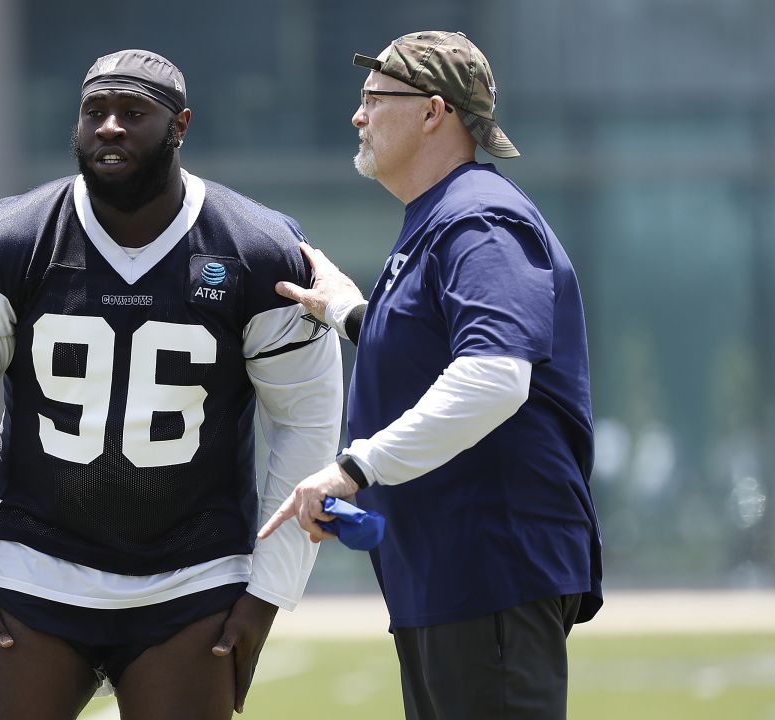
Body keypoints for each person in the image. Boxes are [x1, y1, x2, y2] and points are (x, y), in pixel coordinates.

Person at [0, 48, 343, 720]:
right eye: (94, 111)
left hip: (191, 577)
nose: (109, 126)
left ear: (180, 125)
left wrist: (268, 593)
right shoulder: (6, 242)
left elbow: (306, 424)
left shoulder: (257, 251)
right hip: (34, 566)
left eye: (133, 112)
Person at [259, 31, 603, 719]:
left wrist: (353, 467)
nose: (358, 117)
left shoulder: (479, 218)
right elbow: (434, 349)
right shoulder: (442, 218)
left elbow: (494, 376)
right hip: (453, 575)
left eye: (375, 99)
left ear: (432, 111)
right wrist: (352, 312)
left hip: (490, 569)